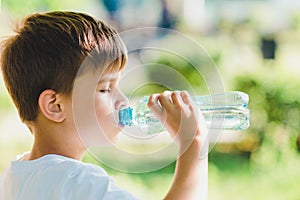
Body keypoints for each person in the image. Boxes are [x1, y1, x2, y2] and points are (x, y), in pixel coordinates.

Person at [0, 11, 207, 200]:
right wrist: (193, 144)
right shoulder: (79, 183)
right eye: (105, 89)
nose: (123, 101)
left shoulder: (13, 177)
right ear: (55, 106)